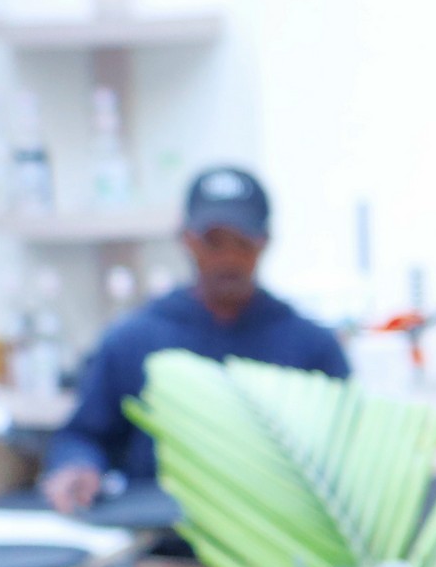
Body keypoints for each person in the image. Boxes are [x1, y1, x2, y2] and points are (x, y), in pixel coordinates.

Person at [41, 166, 347, 515]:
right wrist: (78, 467)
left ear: (265, 242)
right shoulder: (132, 340)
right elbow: (83, 434)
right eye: (214, 242)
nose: (228, 258)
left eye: (242, 242)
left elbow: (345, 451)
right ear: (187, 240)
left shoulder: (312, 347)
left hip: (281, 535)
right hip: (158, 534)